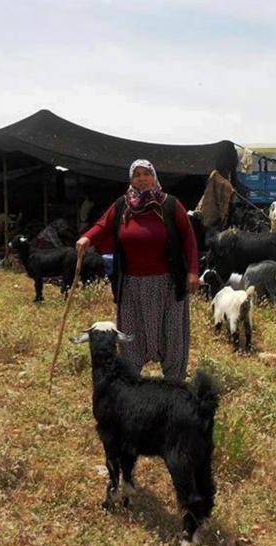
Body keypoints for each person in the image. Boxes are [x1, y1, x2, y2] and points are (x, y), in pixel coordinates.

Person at [76, 159, 199, 381]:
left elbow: (189, 238)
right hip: (132, 285)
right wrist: (87, 238)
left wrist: (192, 271)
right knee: (131, 338)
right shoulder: (122, 205)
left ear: (154, 177)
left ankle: (174, 386)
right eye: (137, 175)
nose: (142, 178)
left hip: (168, 285)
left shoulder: (170, 204)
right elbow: (102, 224)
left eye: (147, 174)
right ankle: (132, 384)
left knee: (172, 337)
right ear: (131, 179)